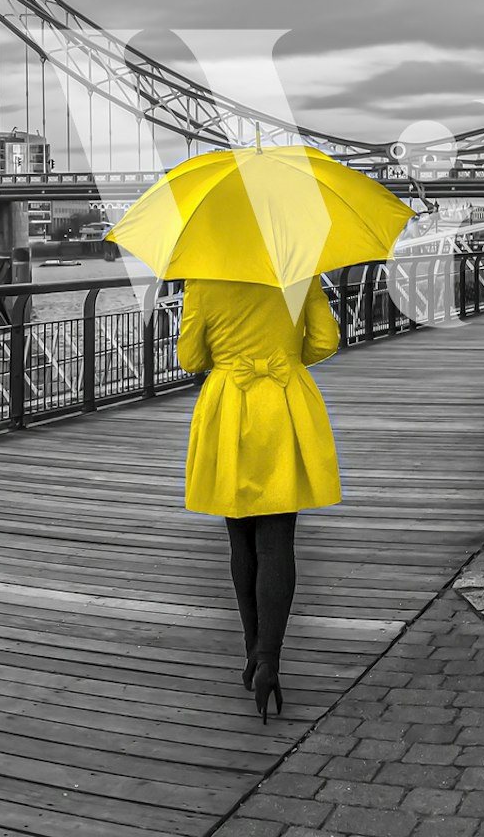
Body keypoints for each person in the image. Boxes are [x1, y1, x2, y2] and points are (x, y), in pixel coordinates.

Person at [176, 276, 341, 722]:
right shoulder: (298, 270)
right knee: (277, 541)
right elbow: (325, 341)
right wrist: (285, 357)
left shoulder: (203, 280)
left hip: (229, 406)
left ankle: (253, 649)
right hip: (283, 403)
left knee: (241, 540)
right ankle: (270, 656)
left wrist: (230, 356)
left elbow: (190, 358)